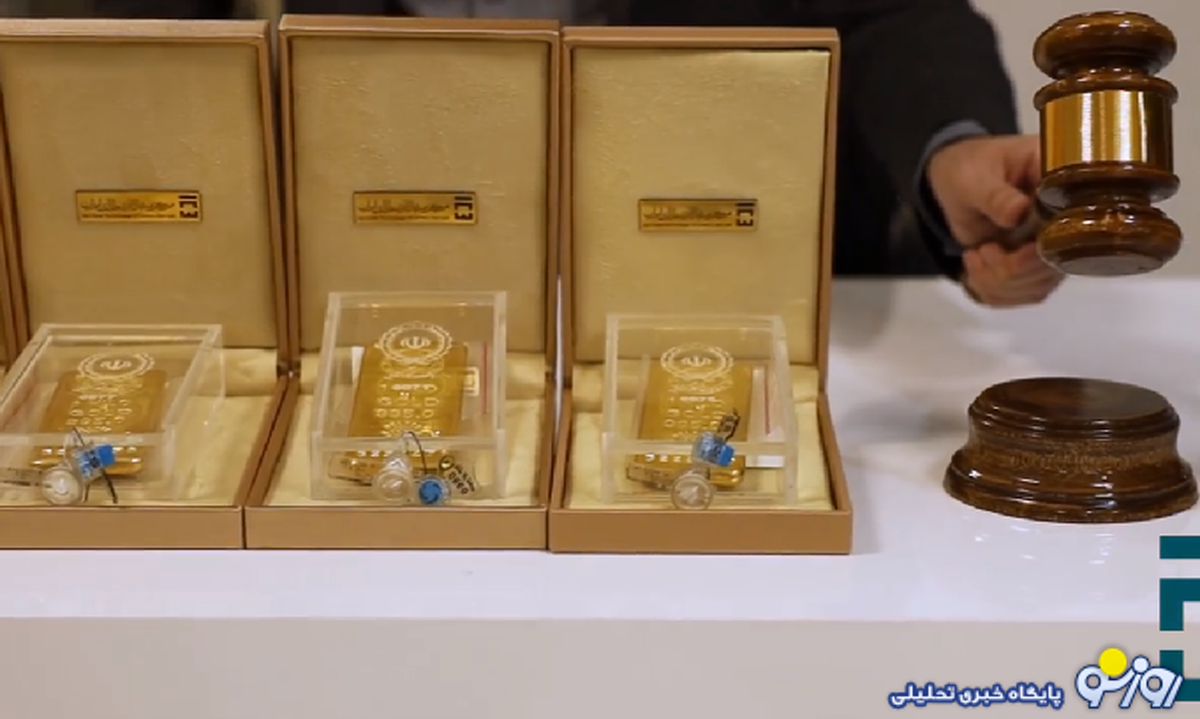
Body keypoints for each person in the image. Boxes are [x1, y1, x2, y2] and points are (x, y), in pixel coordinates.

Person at [88, 0, 1063, 307]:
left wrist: (952, 154)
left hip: (719, 281)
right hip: (366, 282)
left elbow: (902, 16)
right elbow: (128, 47)